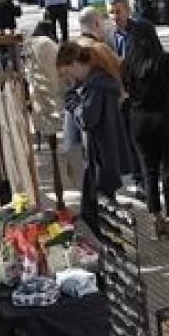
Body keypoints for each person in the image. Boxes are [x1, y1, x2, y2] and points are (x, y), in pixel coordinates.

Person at [119, 5, 169, 239]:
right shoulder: (164, 61)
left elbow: (126, 90)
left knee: (148, 169)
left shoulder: (128, 64)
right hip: (165, 117)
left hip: (139, 119)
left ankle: (155, 217)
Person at [58, 41, 132, 235]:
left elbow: (87, 118)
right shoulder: (96, 82)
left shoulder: (96, 86)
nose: (70, 77)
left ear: (75, 63)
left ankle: (108, 245)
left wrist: (72, 102)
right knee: (99, 211)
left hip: (100, 157)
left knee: (100, 214)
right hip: (102, 155)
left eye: (68, 71)